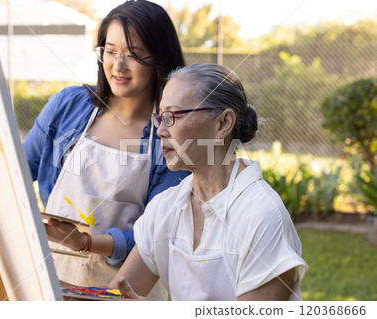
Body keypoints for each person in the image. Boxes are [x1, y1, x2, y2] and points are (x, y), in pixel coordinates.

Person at [22, 0, 189, 299]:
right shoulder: (68, 106)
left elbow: (155, 236)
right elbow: (18, 173)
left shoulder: (172, 135)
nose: (118, 66)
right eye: (110, 51)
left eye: (134, 55)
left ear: (160, 59)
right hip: (51, 275)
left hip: (124, 288)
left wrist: (86, 242)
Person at [109, 63, 308, 300]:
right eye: (160, 117)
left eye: (172, 116)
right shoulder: (165, 208)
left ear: (223, 124)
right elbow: (114, 298)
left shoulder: (261, 216)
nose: (161, 130)